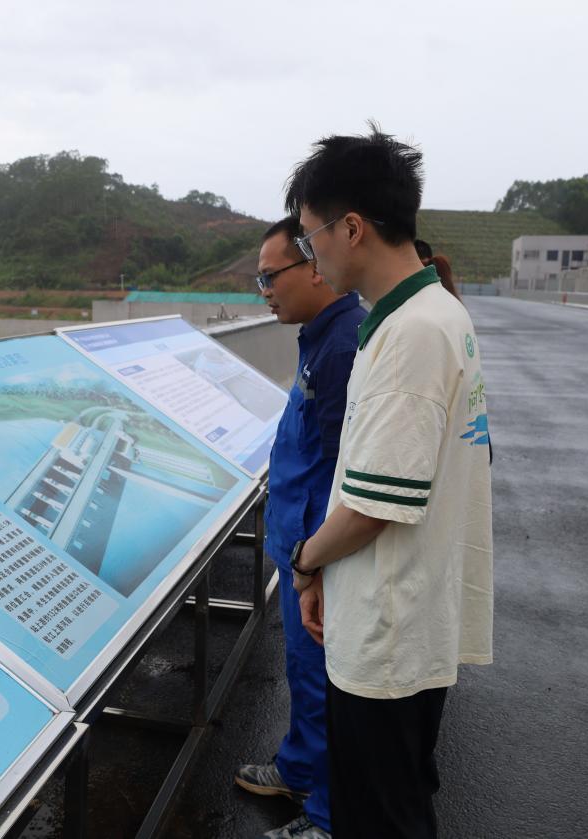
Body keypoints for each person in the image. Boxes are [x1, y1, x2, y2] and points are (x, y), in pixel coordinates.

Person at [285, 125, 494, 838]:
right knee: (398, 804)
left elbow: (374, 507)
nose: (311, 254)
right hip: (408, 618)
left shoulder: (410, 335)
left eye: (311, 235)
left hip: (389, 632)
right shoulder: (435, 314)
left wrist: (305, 561)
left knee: (381, 818)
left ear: (351, 228)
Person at [236, 215, 364, 839]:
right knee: (305, 674)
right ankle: (300, 769)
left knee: (324, 681)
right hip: (301, 545)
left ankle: (328, 818)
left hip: (318, 552)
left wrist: (315, 561)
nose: (264, 290)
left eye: (270, 276)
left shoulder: (342, 347)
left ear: (314, 265)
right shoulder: (321, 336)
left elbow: (347, 471)